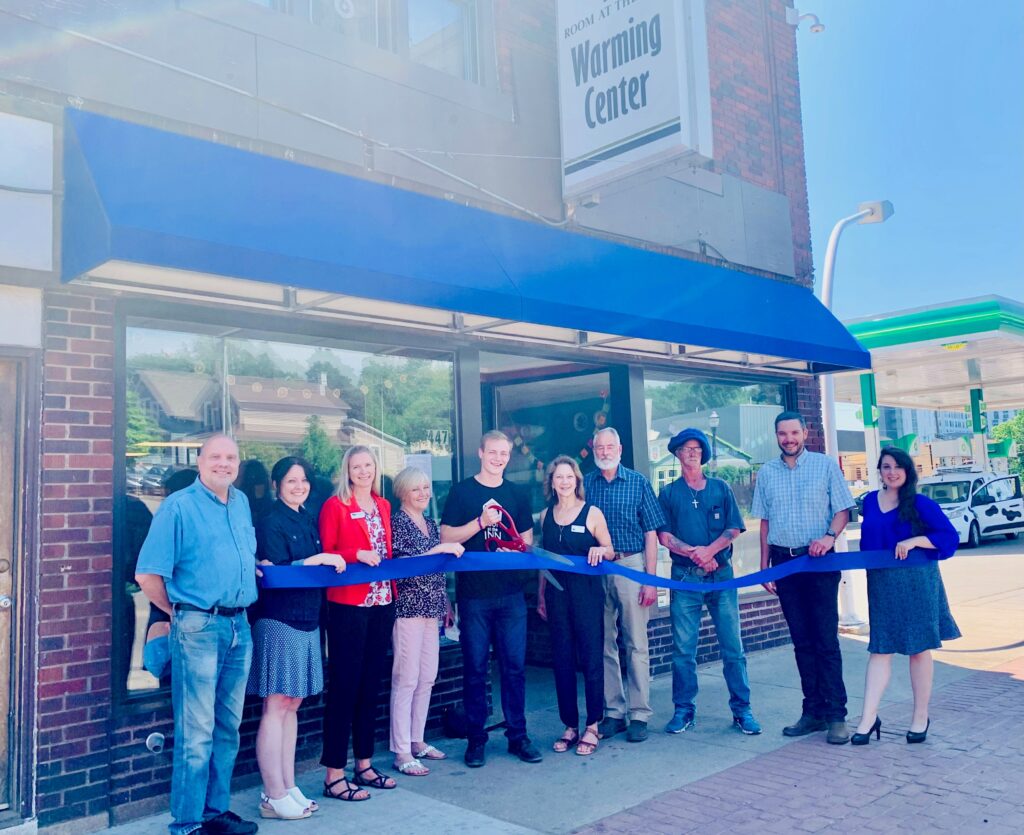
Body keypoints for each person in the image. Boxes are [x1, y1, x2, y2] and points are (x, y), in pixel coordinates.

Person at [135, 434, 259, 835]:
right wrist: (180, 612)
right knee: (197, 731)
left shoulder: (240, 503)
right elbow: (147, 575)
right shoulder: (178, 507)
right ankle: (186, 824)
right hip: (199, 628)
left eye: (231, 458)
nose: (224, 464)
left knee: (227, 726)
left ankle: (214, 813)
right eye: (216, 457)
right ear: (200, 461)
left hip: (240, 625)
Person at [247, 457, 347, 819]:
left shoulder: (308, 517)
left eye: (303, 480)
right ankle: (272, 794)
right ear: (277, 485)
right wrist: (318, 558)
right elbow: (275, 573)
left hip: (308, 619)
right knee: (276, 705)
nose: (298, 486)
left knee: (293, 704)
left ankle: (288, 787)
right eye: (291, 481)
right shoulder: (270, 521)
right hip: (279, 620)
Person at [751, 411, 856, 744]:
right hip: (785, 564)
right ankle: (812, 711)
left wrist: (828, 537)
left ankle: (836, 714)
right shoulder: (767, 473)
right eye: (782, 434)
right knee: (801, 643)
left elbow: (843, 510)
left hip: (819, 563)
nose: (788, 439)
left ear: (805, 433)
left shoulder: (825, 466)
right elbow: (764, 523)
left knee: (826, 641)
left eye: (794, 432)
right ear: (776, 436)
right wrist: (766, 565)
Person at [440, 430, 542, 768]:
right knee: (475, 670)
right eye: (493, 452)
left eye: (504, 453)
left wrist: (514, 540)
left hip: (511, 595)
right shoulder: (461, 492)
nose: (499, 458)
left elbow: (526, 542)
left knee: (514, 669)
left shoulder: (516, 493)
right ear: (481, 452)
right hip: (474, 597)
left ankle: (518, 736)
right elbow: (445, 536)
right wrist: (480, 523)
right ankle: (476, 740)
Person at [851, 447, 960, 746]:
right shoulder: (870, 502)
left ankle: (920, 716)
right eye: (886, 466)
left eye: (898, 466)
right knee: (880, 649)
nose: (892, 471)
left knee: (918, 649)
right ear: (879, 470)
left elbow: (949, 538)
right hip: (882, 583)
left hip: (917, 583)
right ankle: (867, 719)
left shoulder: (921, 503)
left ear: (907, 470)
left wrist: (914, 540)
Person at [657, 429, 761, 736]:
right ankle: (683, 710)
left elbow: (734, 528)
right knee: (683, 650)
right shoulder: (669, 494)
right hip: (685, 578)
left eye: (697, 449)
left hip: (722, 576)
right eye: (686, 449)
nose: (692, 453)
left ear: (703, 453)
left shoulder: (720, 488)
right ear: (677, 454)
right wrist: (695, 554)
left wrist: (711, 552)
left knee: (733, 647)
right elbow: (664, 536)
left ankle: (742, 710)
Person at [318, 446, 397, 802]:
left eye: (368, 465)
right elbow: (327, 552)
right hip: (349, 606)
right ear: (346, 471)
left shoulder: (383, 506)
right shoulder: (335, 506)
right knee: (345, 688)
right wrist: (355, 555)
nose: (363, 471)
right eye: (356, 466)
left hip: (383, 603)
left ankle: (364, 764)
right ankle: (334, 774)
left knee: (371, 687)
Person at [583, 427, 666, 743]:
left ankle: (640, 714)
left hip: (631, 565)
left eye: (610, 446)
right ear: (594, 449)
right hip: (595, 568)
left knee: (635, 642)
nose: (604, 452)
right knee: (603, 642)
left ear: (620, 448)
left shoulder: (638, 482)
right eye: (599, 447)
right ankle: (614, 712)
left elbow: (651, 534)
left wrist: (649, 578)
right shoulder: (585, 484)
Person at [389, 467, 465, 776]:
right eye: (416, 489)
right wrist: (442, 548)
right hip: (407, 609)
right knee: (406, 678)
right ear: (404, 493)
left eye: (426, 487)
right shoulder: (397, 523)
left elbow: (438, 568)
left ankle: (417, 739)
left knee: (427, 676)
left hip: (432, 608)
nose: (423, 493)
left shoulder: (431, 523)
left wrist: (446, 602)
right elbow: (407, 563)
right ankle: (401, 750)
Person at [536, 456, 613, 756]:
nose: (564, 482)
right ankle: (570, 725)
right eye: (559, 477)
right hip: (556, 596)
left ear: (577, 481)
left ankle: (593, 725)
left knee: (592, 659)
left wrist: (600, 549)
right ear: (552, 482)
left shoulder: (592, 513)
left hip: (587, 595)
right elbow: (544, 561)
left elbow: (611, 550)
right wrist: (542, 595)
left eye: (569, 477)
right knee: (563, 661)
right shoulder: (545, 516)